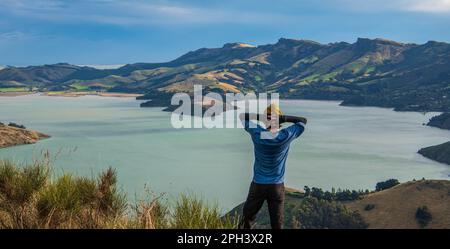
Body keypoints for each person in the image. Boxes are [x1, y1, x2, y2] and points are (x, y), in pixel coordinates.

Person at [238, 104, 307, 229]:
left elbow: (243, 116)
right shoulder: (285, 136)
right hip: (276, 186)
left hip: (258, 184)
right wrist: (282, 118)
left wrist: (263, 117)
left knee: (247, 218)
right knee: (277, 223)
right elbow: (302, 121)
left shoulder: (257, 132)